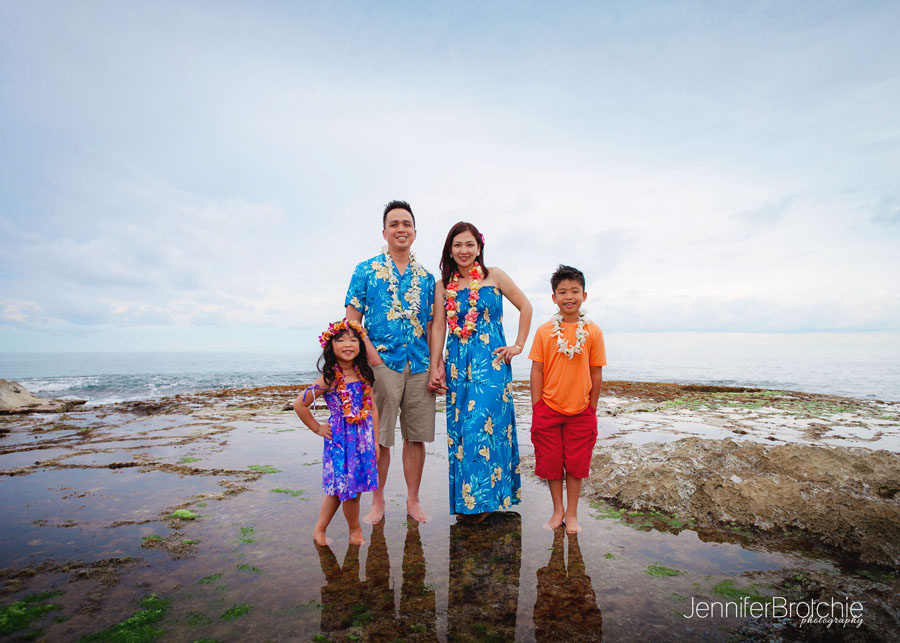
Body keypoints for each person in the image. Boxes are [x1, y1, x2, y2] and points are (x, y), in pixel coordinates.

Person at [429, 221, 532, 521]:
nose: (464, 250)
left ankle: (479, 502)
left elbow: (526, 307)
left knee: (481, 427)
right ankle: (469, 501)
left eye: (469, 245)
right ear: (450, 249)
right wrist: (437, 366)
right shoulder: (442, 287)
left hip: (492, 362)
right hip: (458, 365)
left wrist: (518, 345)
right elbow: (438, 328)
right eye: (458, 245)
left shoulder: (495, 276)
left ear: (479, 247)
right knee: (461, 431)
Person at [345, 200, 437, 524]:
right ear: (384, 232)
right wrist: (368, 351)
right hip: (381, 362)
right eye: (394, 224)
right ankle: (378, 500)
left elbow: (432, 326)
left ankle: (413, 500)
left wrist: (436, 364)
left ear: (415, 232)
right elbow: (352, 319)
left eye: (406, 224)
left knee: (415, 436)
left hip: (420, 363)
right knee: (380, 435)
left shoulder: (427, 279)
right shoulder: (365, 270)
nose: (401, 229)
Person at [529, 264, 606, 534]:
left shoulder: (593, 332)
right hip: (548, 408)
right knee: (551, 464)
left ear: (584, 295)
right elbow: (536, 370)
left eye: (575, 291)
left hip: (581, 410)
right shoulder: (544, 331)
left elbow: (596, 372)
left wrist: (592, 407)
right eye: (562, 292)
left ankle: (572, 513)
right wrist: (537, 406)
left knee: (576, 464)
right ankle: (557, 510)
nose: (569, 296)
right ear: (554, 298)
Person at [293, 319, 380, 546]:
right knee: (342, 490)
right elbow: (299, 405)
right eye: (340, 340)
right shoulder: (329, 378)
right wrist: (318, 428)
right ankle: (353, 530)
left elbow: (373, 410)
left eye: (353, 339)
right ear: (331, 346)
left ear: (360, 345)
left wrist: (376, 442)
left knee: (354, 487)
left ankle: (320, 529)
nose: (347, 344)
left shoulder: (364, 375)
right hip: (341, 441)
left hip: (363, 441)